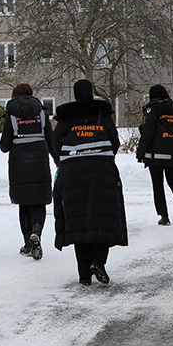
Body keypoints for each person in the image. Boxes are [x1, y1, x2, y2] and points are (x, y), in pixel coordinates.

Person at [50, 79, 128, 285]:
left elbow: (55, 143)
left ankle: (84, 275)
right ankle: (98, 260)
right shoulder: (103, 115)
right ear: (91, 92)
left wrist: (63, 161)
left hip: (72, 173)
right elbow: (115, 142)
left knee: (78, 221)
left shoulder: (66, 118)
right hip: (102, 170)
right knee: (104, 217)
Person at [0, 83, 53, 260]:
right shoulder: (42, 112)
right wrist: (58, 160)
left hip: (19, 163)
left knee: (24, 202)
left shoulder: (11, 115)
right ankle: (36, 233)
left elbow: (5, 146)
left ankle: (28, 243)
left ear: (14, 96)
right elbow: (51, 139)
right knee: (38, 200)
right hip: (40, 161)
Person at [137, 84, 173, 225]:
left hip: (156, 153)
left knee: (158, 184)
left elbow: (148, 130)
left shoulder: (152, 108)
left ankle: (164, 216)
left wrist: (140, 152)